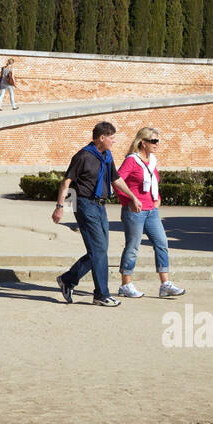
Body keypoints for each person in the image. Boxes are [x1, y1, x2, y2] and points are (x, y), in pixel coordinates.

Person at [52, 121, 140, 306]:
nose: (114, 141)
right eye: (112, 137)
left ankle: (68, 280)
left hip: (101, 206)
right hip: (84, 204)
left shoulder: (107, 156)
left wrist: (132, 196)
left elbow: (116, 179)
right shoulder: (83, 156)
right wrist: (61, 208)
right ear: (102, 137)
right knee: (99, 250)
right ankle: (101, 294)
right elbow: (66, 182)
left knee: (98, 250)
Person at [114, 126, 185, 299]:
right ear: (143, 142)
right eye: (153, 141)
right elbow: (116, 181)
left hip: (151, 210)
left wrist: (157, 197)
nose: (157, 144)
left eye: (158, 141)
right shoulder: (132, 160)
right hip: (134, 211)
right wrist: (128, 200)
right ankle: (125, 285)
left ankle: (165, 284)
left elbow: (154, 180)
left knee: (162, 243)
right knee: (133, 247)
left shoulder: (152, 160)